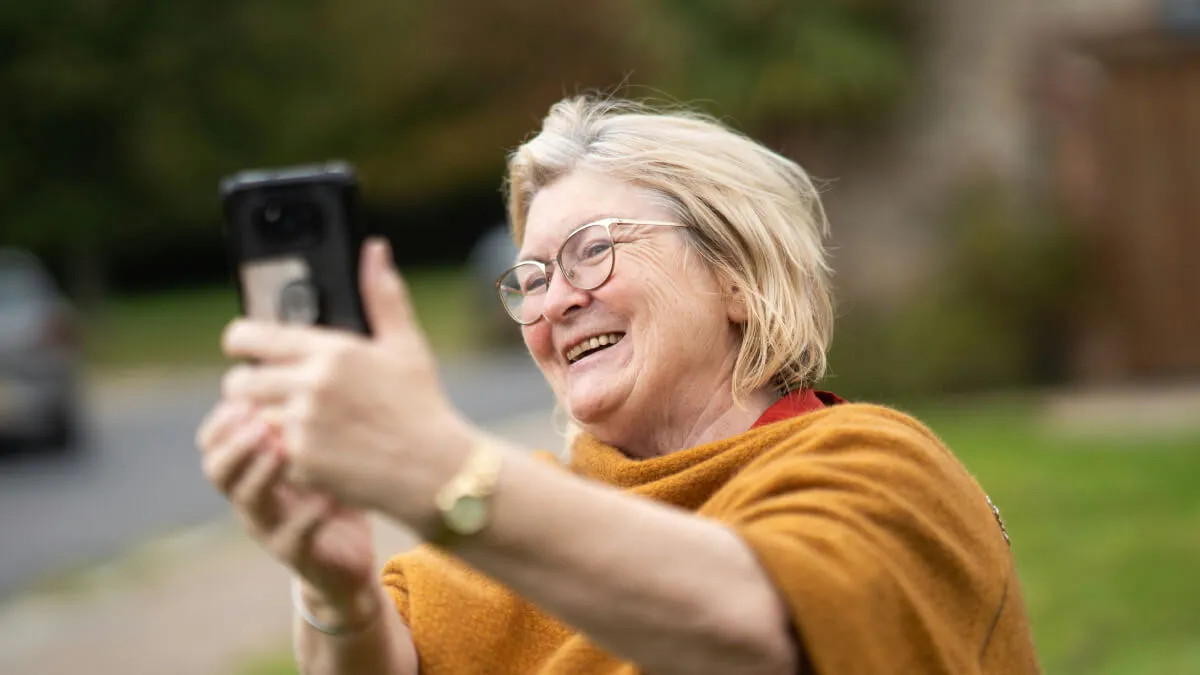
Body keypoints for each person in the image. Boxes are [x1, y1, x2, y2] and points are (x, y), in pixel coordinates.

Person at [196, 96, 1041, 675]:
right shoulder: (492, 562)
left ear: (738, 276)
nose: (556, 300)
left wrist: (436, 466)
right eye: (528, 277)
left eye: (592, 249)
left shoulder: (884, 469)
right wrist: (332, 584)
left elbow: (766, 628)